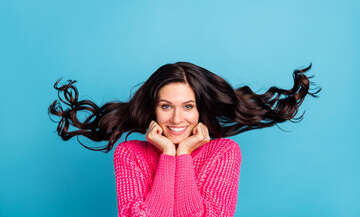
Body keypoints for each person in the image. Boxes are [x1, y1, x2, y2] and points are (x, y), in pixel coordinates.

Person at [48, 61, 321, 217]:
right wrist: (169, 154)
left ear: (201, 108)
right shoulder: (130, 154)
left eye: (188, 106)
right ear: (153, 109)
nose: (177, 119)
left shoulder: (224, 153)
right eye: (166, 106)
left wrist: (184, 155)